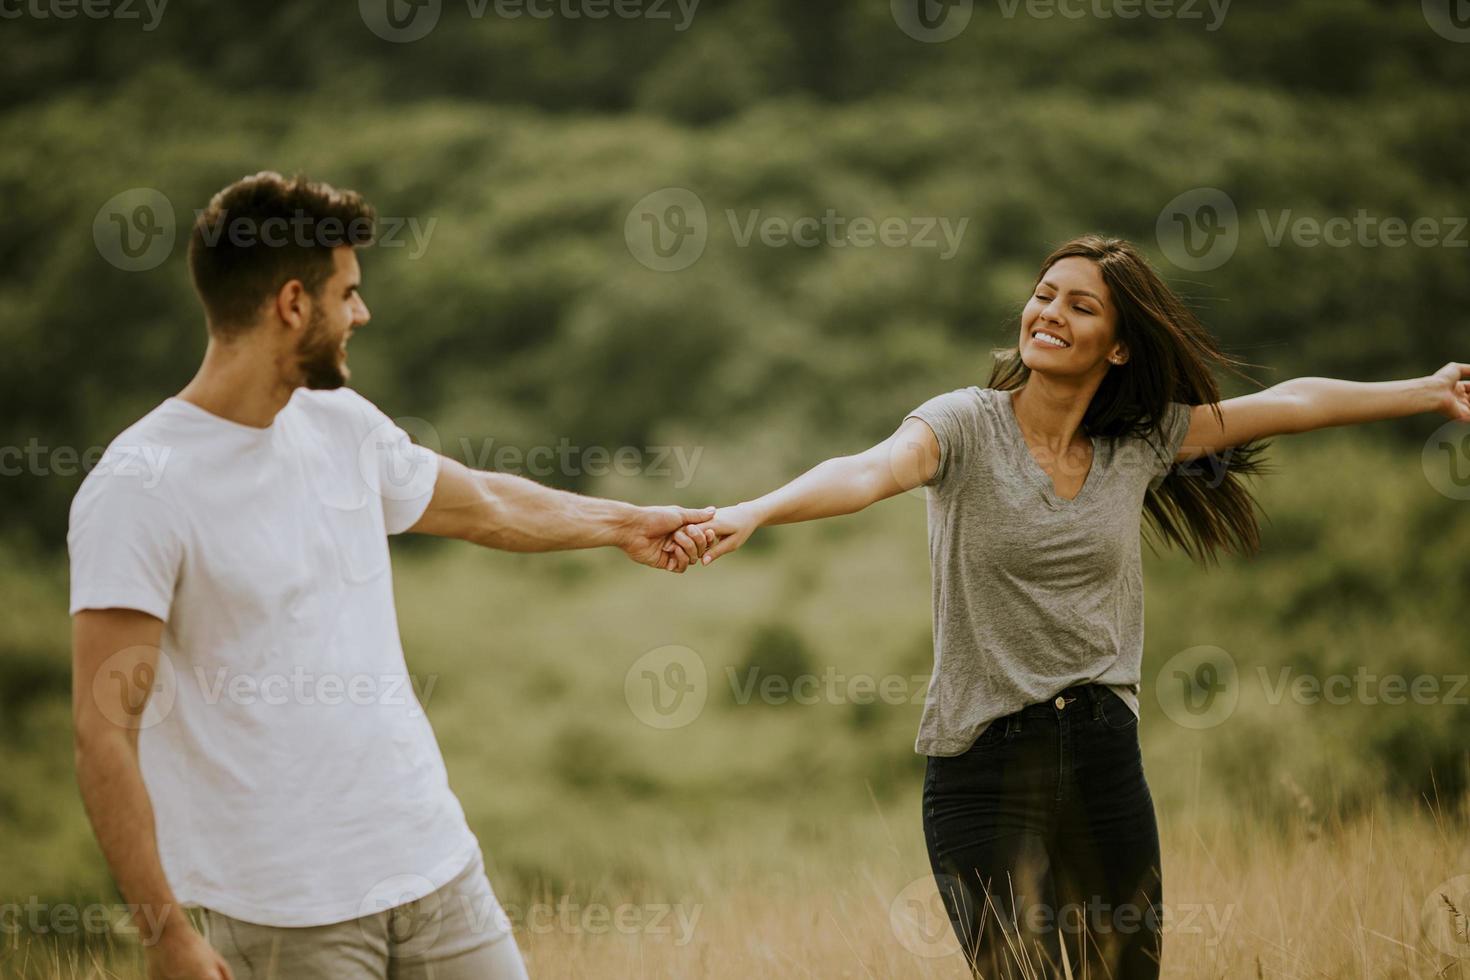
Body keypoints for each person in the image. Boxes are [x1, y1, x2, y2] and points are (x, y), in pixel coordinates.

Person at [688, 235, 1470, 978]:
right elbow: (864, 471)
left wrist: (1427, 391)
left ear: (1119, 345)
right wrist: (754, 511)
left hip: (1103, 755)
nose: (1049, 313)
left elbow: (1292, 402)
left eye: (1080, 306)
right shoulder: (963, 426)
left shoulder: (1142, 443)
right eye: (1043, 295)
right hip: (983, 765)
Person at [68, 171, 716, 980]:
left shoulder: (339, 424)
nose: (362, 314)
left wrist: (626, 525)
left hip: (436, 869)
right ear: (294, 304)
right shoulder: (140, 486)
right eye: (350, 293)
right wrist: (166, 936)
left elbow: (482, 504)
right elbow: (103, 731)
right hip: (286, 914)